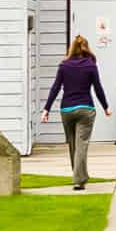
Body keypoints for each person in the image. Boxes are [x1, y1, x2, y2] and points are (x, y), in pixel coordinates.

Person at [41, 35, 111, 191]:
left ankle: (80, 176)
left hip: (67, 110)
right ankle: (79, 180)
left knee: (73, 145)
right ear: (87, 48)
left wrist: (46, 109)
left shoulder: (64, 65)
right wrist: (105, 106)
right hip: (86, 109)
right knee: (82, 145)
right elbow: (98, 88)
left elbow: (55, 87)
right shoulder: (90, 65)